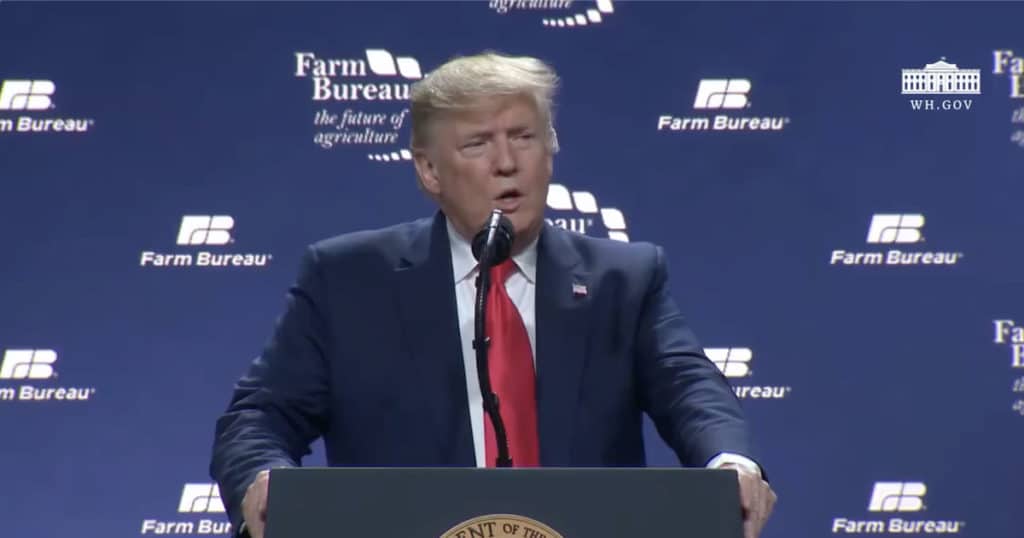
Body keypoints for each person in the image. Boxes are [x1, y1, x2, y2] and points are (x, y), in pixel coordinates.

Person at [210, 51, 777, 538]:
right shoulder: (347, 279)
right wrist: (262, 479)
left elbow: (689, 387)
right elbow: (260, 415)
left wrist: (728, 460)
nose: (508, 162)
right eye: (478, 144)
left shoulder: (624, 279)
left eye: (524, 137)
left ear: (549, 151)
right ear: (429, 171)